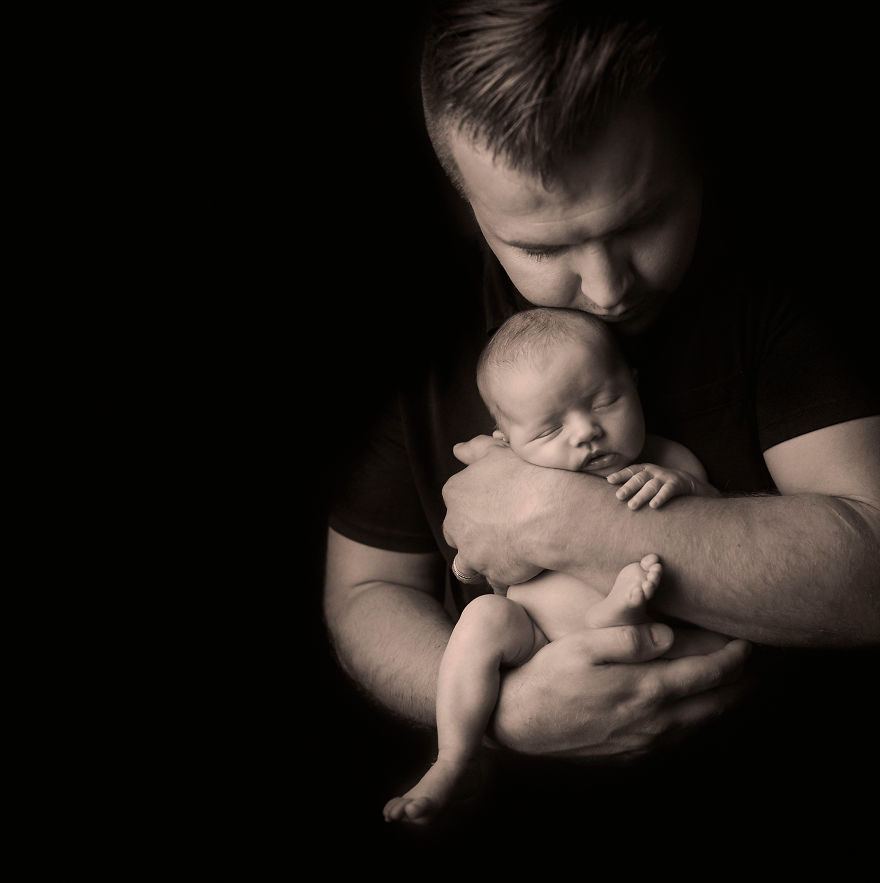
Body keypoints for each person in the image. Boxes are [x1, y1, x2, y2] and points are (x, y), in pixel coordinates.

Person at [324, 0, 879, 832]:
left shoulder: (780, 292)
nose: (610, 286)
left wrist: (561, 517)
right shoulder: (423, 331)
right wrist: (496, 713)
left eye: (644, 218)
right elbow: (362, 589)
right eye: (542, 249)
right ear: (470, 208)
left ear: (693, 153)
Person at [383, 306, 731, 825]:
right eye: (548, 431)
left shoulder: (664, 459)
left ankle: (618, 611)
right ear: (507, 440)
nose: (586, 432)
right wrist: (475, 565)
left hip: (638, 638)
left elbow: (713, 530)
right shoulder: (508, 475)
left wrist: (683, 486)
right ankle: (454, 756)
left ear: (633, 384)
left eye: (605, 401)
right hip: (534, 637)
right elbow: (484, 565)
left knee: (642, 587)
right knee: (481, 621)